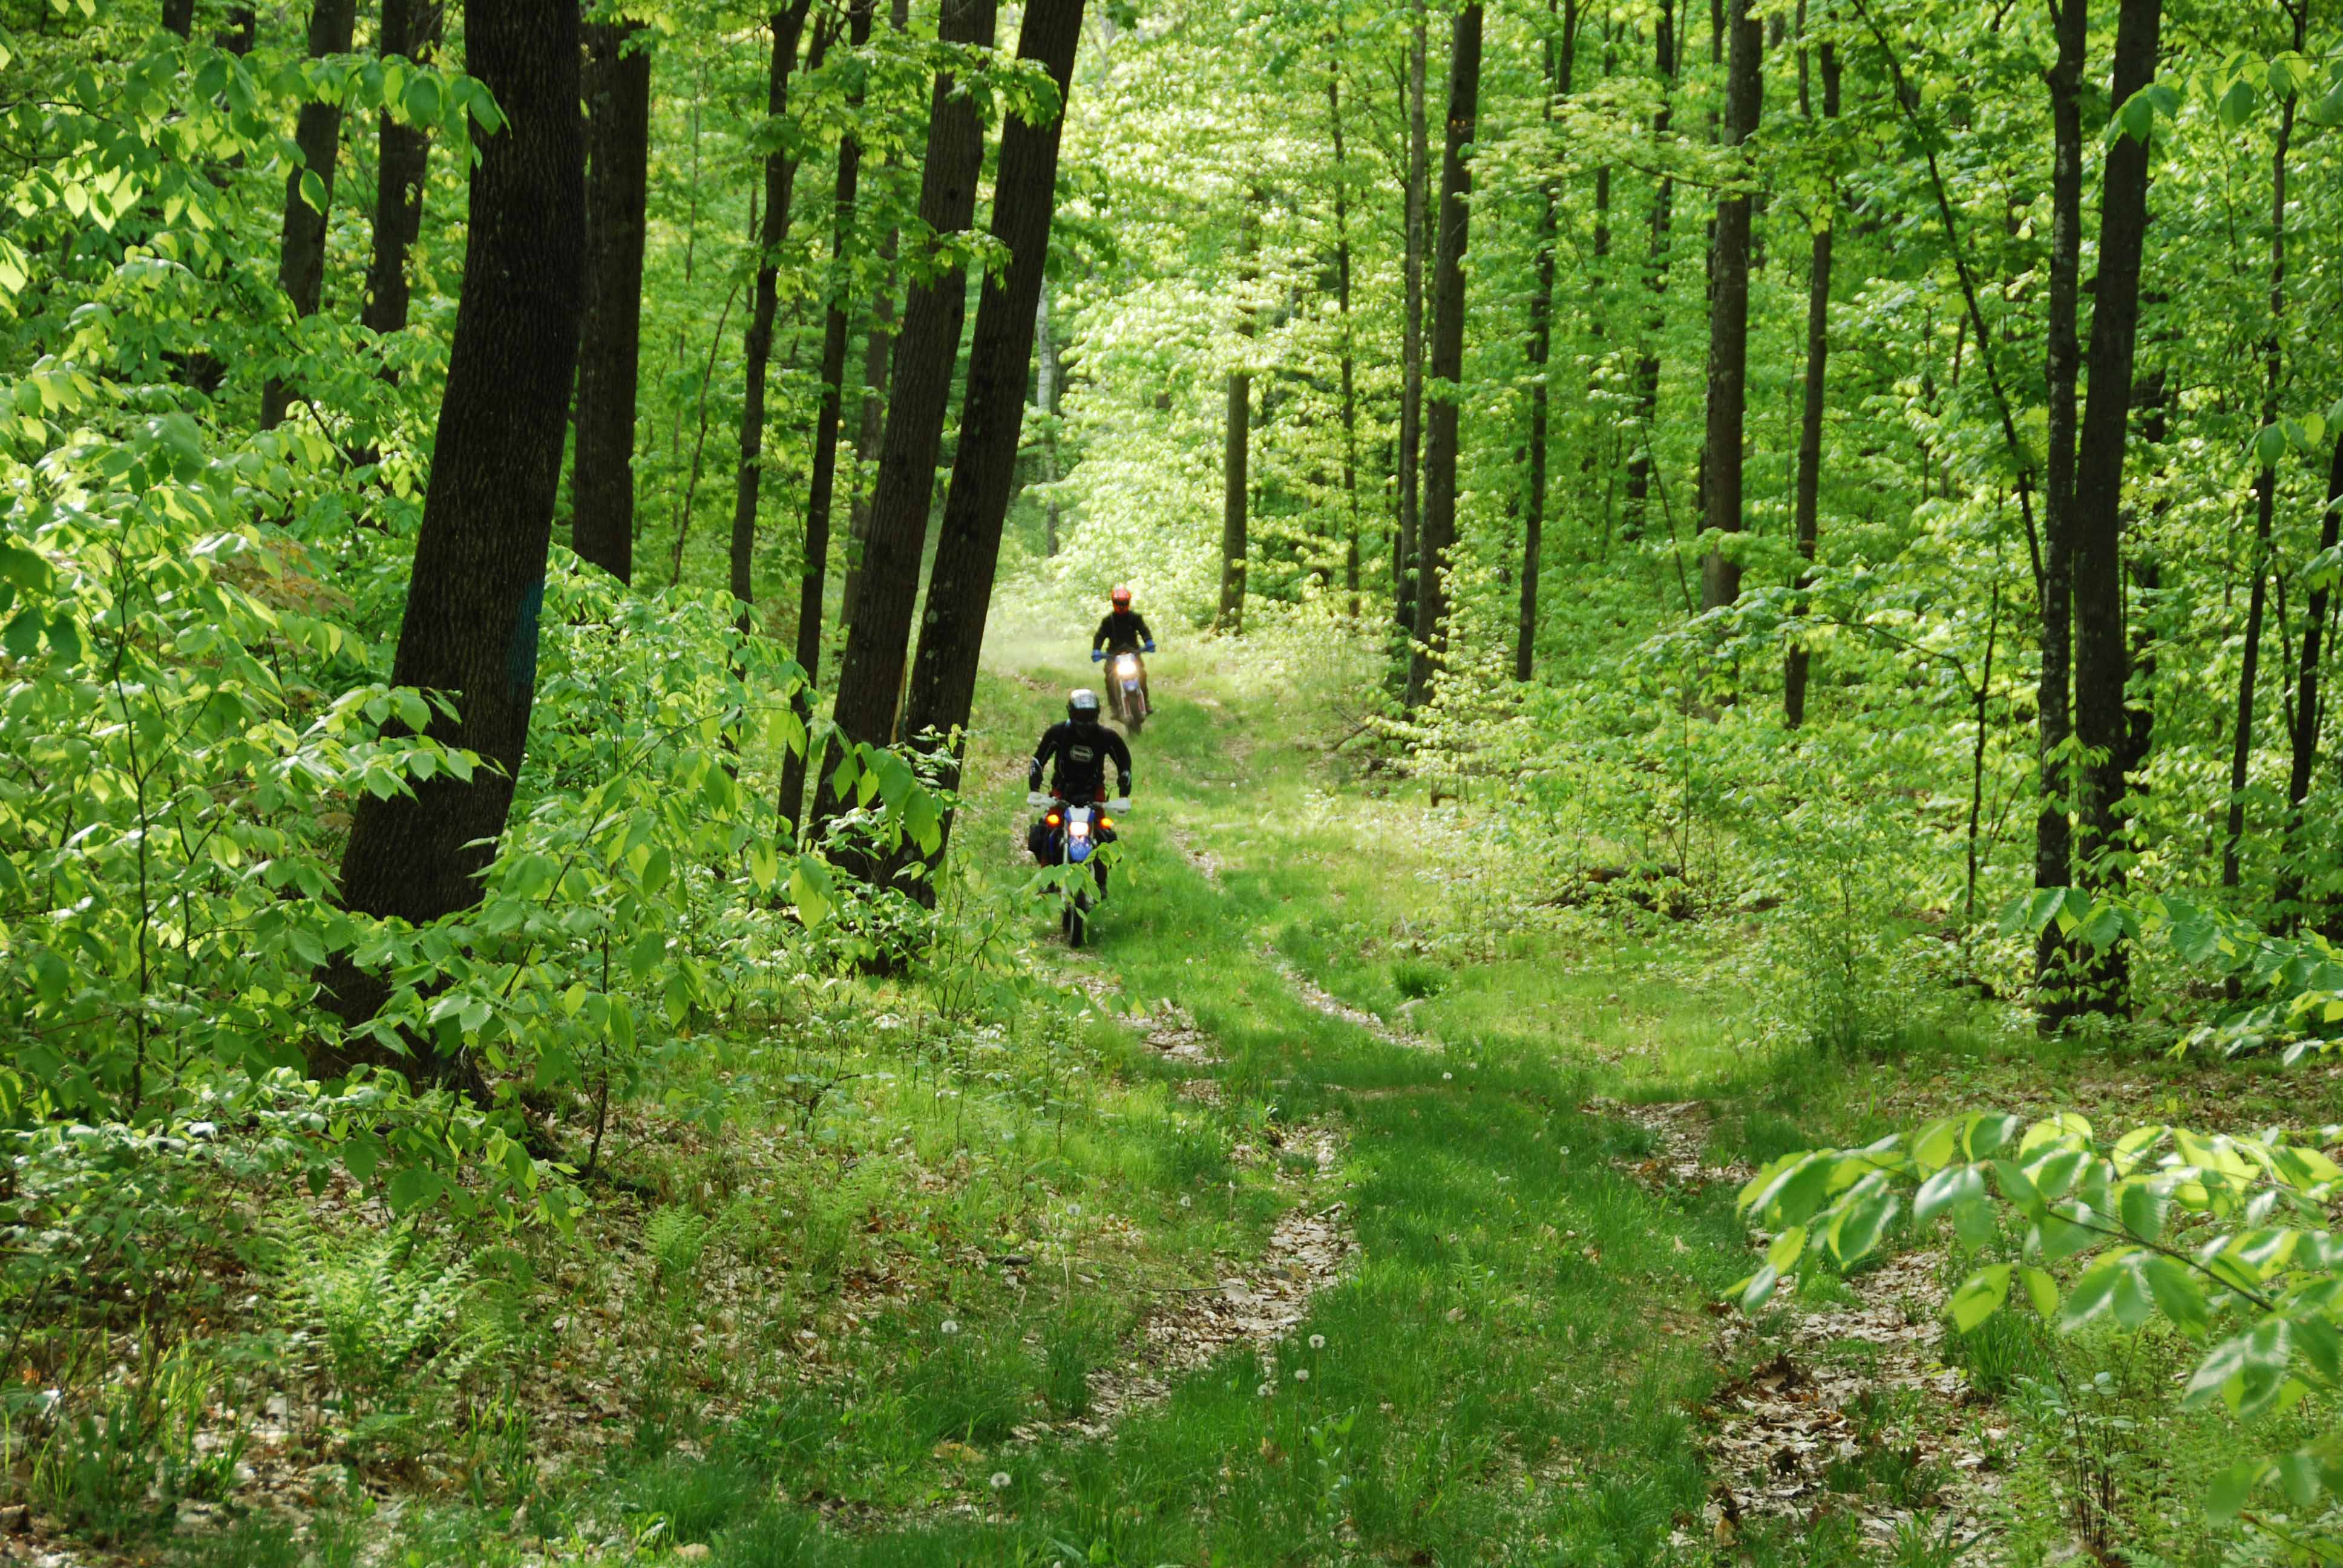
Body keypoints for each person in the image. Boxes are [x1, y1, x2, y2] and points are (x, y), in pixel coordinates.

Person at [1027, 689, 1132, 866]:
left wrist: (1124, 790)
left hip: (1094, 794)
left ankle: (1100, 881)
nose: (1085, 722)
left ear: (1097, 714)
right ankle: (1046, 881)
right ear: (1071, 712)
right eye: (1081, 715)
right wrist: (1035, 788)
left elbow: (1124, 763)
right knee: (1048, 831)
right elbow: (1038, 760)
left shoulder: (1107, 737)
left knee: (1103, 834)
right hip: (1061, 793)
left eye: (1089, 716)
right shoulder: (1058, 733)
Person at [1090, 585, 1156, 718]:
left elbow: (1144, 630)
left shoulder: (1135, 618)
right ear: (1114, 604)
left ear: (1128, 603)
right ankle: (1115, 708)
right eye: (1119, 603)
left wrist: (1149, 642)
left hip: (1133, 653)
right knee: (1110, 677)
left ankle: (1146, 703)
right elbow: (1100, 636)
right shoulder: (1108, 621)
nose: (1121, 606)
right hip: (1113, 655)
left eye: (1124, 603)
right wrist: (1096, 650)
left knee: (1142, 674)